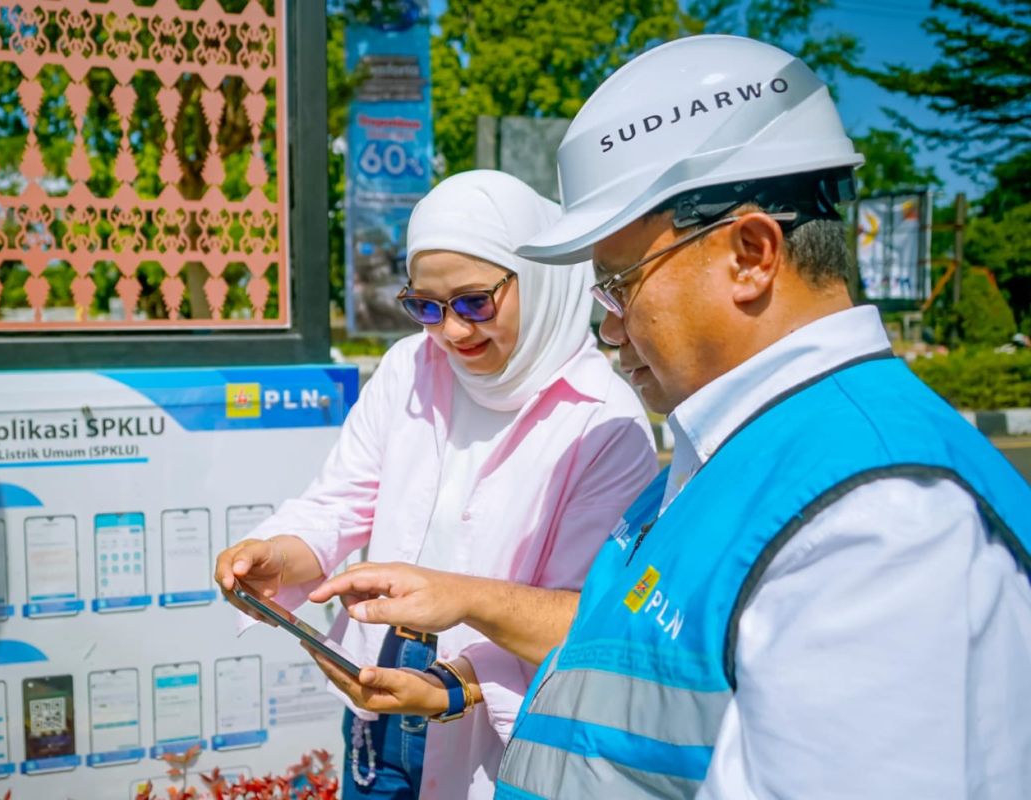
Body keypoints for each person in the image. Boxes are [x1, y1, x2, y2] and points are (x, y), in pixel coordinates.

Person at [306, 35, 1031, 799]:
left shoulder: (882, 522)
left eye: (620, 284)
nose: (609, 327)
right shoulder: (738, 454)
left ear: (750, 254)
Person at [214, 170, 657, 799]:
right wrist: (278, 556)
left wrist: (457, 685)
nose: (451, 331)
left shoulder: (603, 420)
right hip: (381, 685)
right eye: (425, 306)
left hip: (505, 722)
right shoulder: (409, 367)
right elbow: (342, 500)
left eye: (475, 301)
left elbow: (587, 617)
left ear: (539, 278)